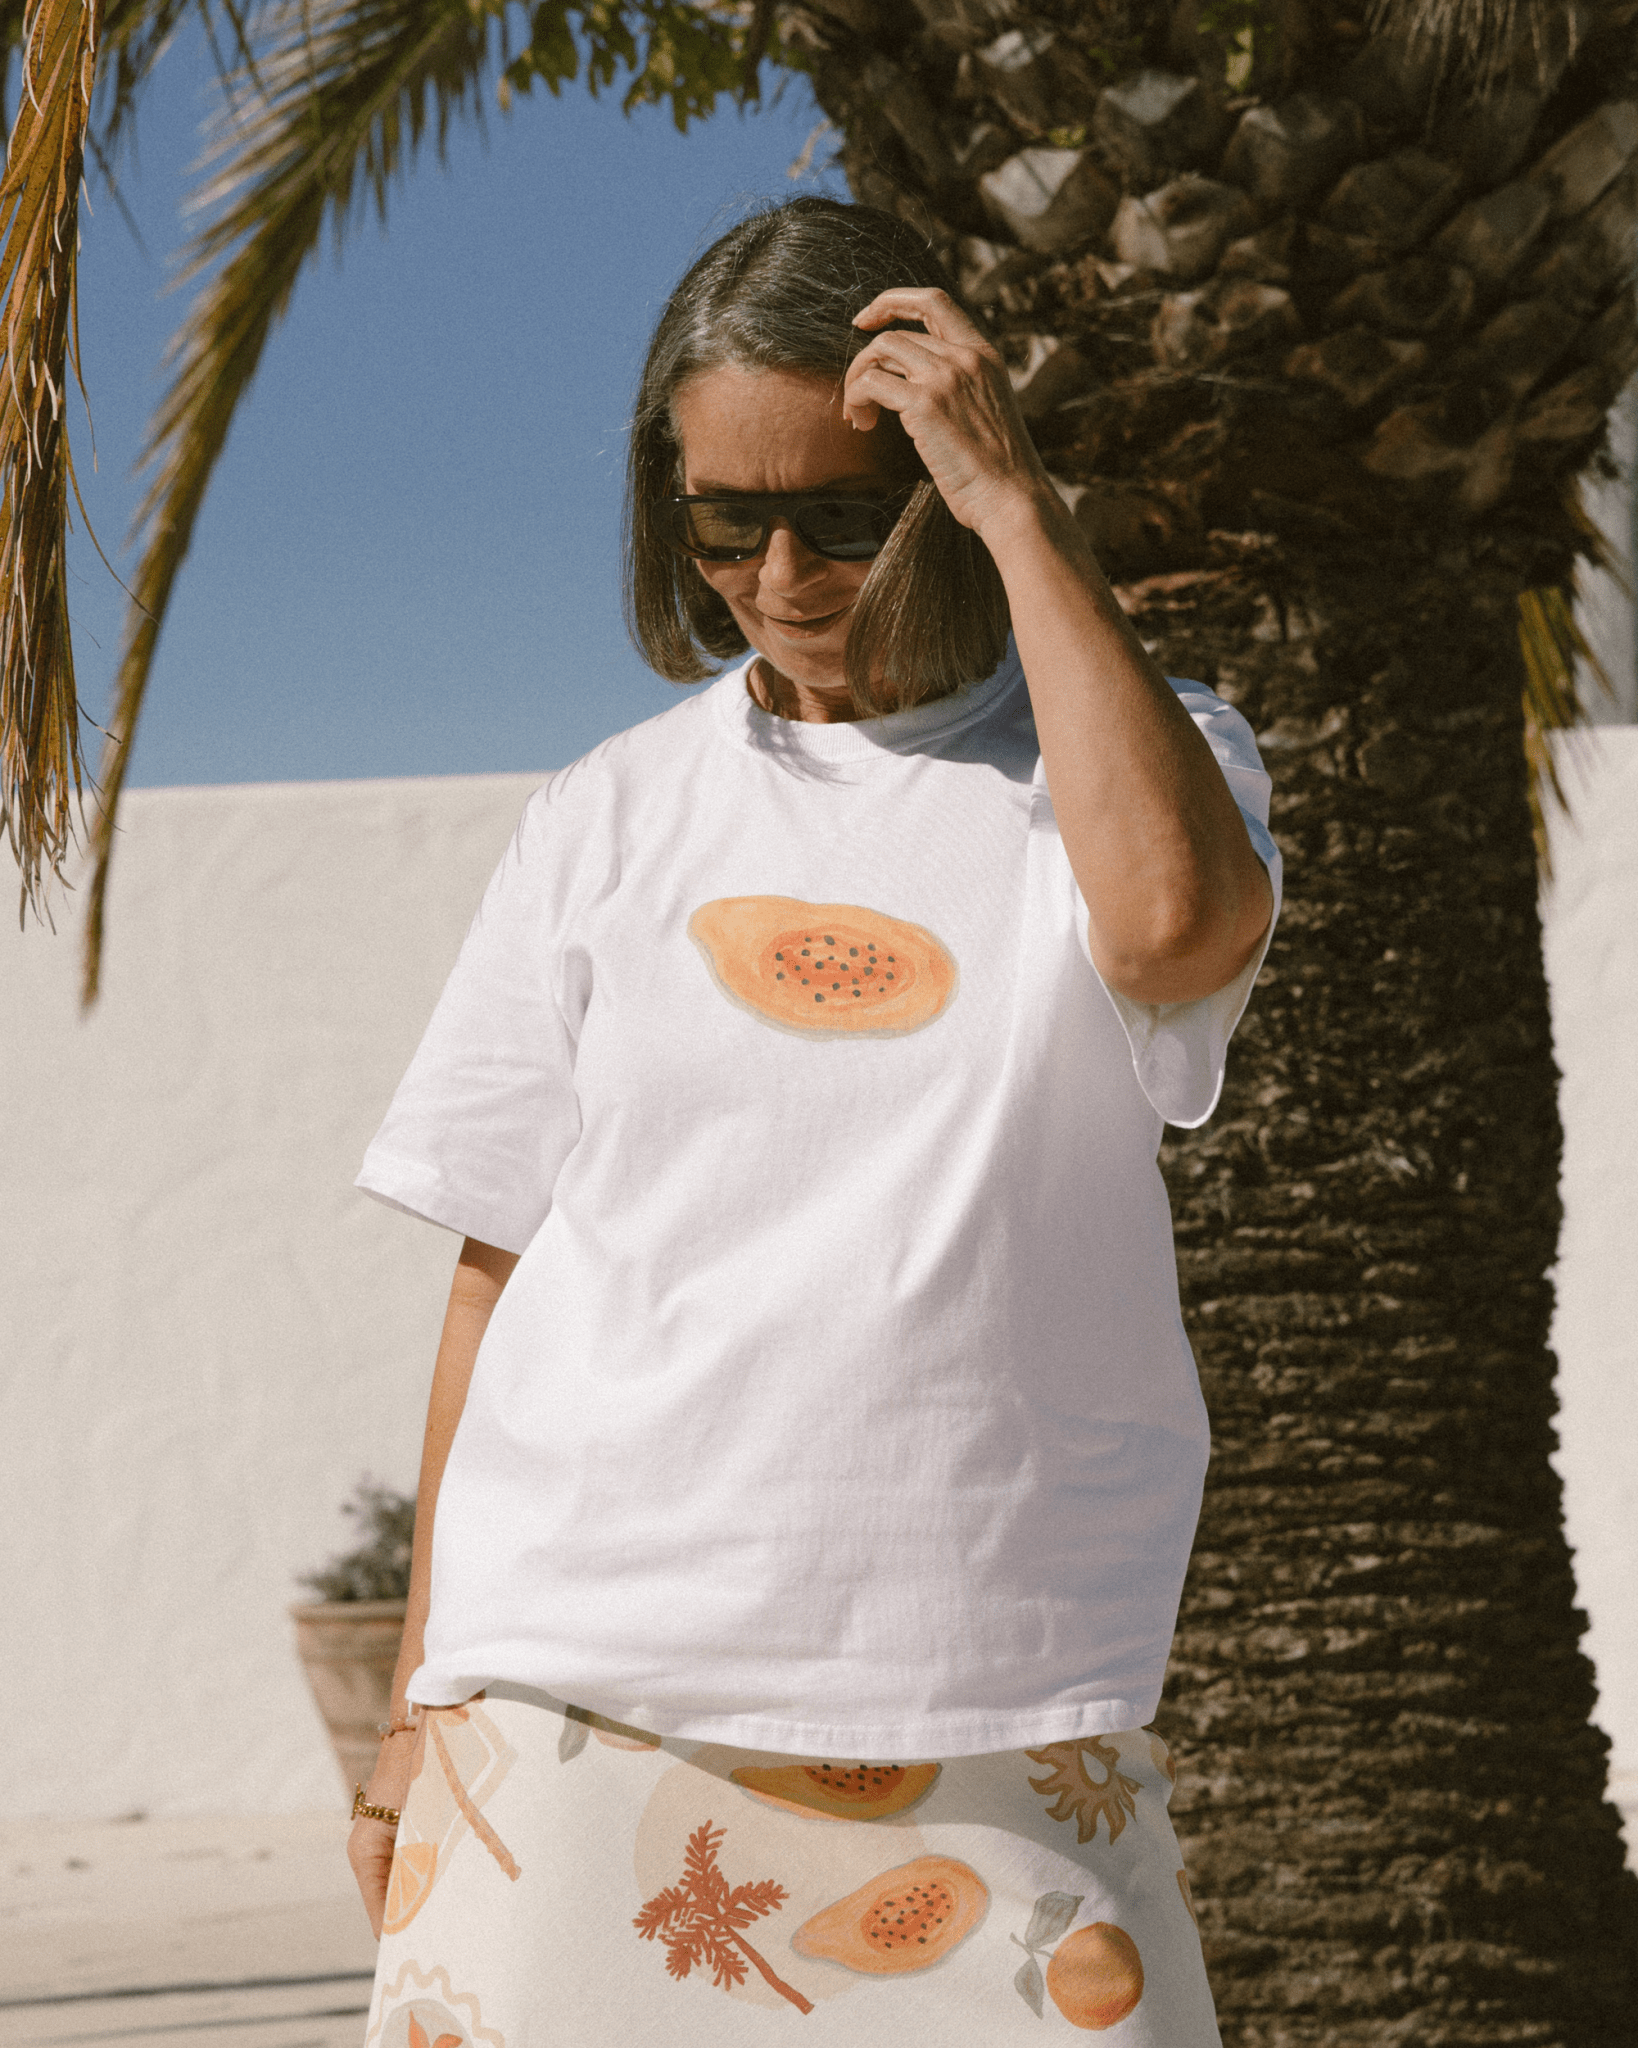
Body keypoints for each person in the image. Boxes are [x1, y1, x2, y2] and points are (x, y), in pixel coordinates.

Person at [347, 195, 1277, 2047]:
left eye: (844, 518)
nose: (777, 574)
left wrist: (1019, 513)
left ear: (941, 483)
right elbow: (494, 1269)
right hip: (575, 1683)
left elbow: (1174, 929)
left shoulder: (1131, 759)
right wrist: (409, 1705)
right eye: (722, 521)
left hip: (997, 1687)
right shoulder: (603, 817)